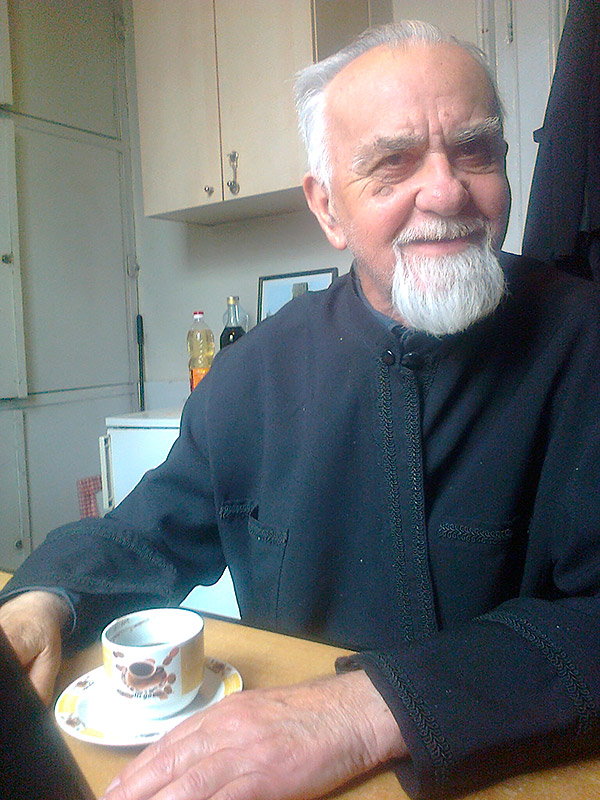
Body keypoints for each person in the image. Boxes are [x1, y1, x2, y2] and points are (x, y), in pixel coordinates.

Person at [2, 19, 600, 800]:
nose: (448, 191)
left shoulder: (586, 340)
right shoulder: (251, 373)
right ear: (327, 207)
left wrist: (365, 712)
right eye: (393, 163)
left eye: (475, 151)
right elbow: (142, 534)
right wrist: (43, 599)